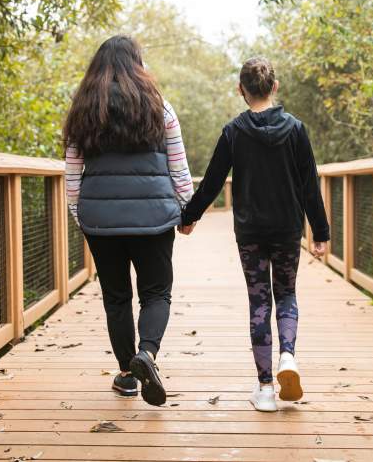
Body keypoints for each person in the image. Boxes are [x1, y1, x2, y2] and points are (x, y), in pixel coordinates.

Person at [181, 56, 329, 412]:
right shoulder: (295, 129)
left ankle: (265, 389)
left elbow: (213, 181)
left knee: (260, 301)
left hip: (250, 231)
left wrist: (188, 216)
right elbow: (310, 185)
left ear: (241, 90)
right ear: (274, 87)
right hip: (287, 227)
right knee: (287, 294)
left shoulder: (234, 132)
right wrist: (320, 232)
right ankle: (288, 357)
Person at [63, 35, 194, 406]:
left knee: (116, 297)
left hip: (101, 220)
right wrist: (187, 212)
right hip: (153, 219)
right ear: (138, 64)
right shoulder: (159, 107)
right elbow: (178, 168)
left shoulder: (83, 110)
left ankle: (126, 374)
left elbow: (72, 174)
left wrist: (81, 215)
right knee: (156, 292)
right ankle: (147, 354)